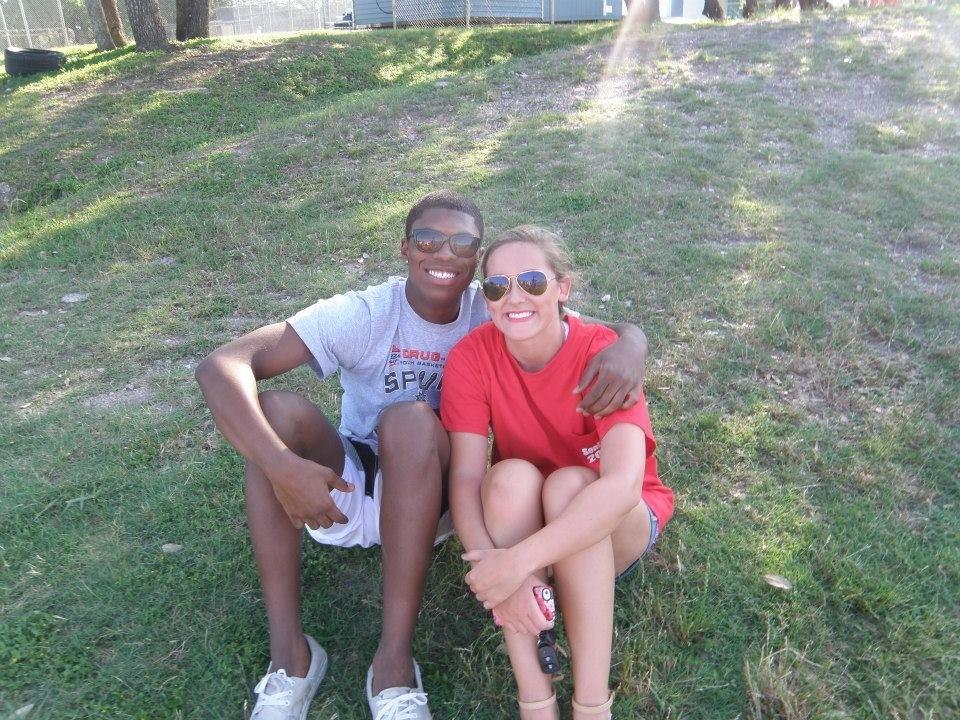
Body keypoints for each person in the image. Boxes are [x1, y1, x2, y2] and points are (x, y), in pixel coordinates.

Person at [194, 192, 650, 720]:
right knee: (274, 414)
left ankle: (393, 668)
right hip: (353, 486)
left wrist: (633, 342)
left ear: (476, 259)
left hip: (433, 493)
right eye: (428, 240)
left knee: (413, 422)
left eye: (464, 244)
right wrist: (281, 465)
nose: (445, 254)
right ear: (405, 248)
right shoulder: (368, 313)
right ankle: (289, 659)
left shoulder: (496, 304)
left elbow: (582, 326)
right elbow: (221, 365)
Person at [441, 225, 674, 720]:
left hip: (617, 521)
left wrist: (517, 563)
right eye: (497, 287)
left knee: (572, 488)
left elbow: (622, 487)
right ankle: (536, 701)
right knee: (506, 479)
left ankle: (591, 705)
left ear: (563, 288)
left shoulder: (605, 355)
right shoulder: (471, 357)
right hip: (524, 517)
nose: (514, 297)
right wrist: (494, 571)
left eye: (532, 281)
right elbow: (465, 479)